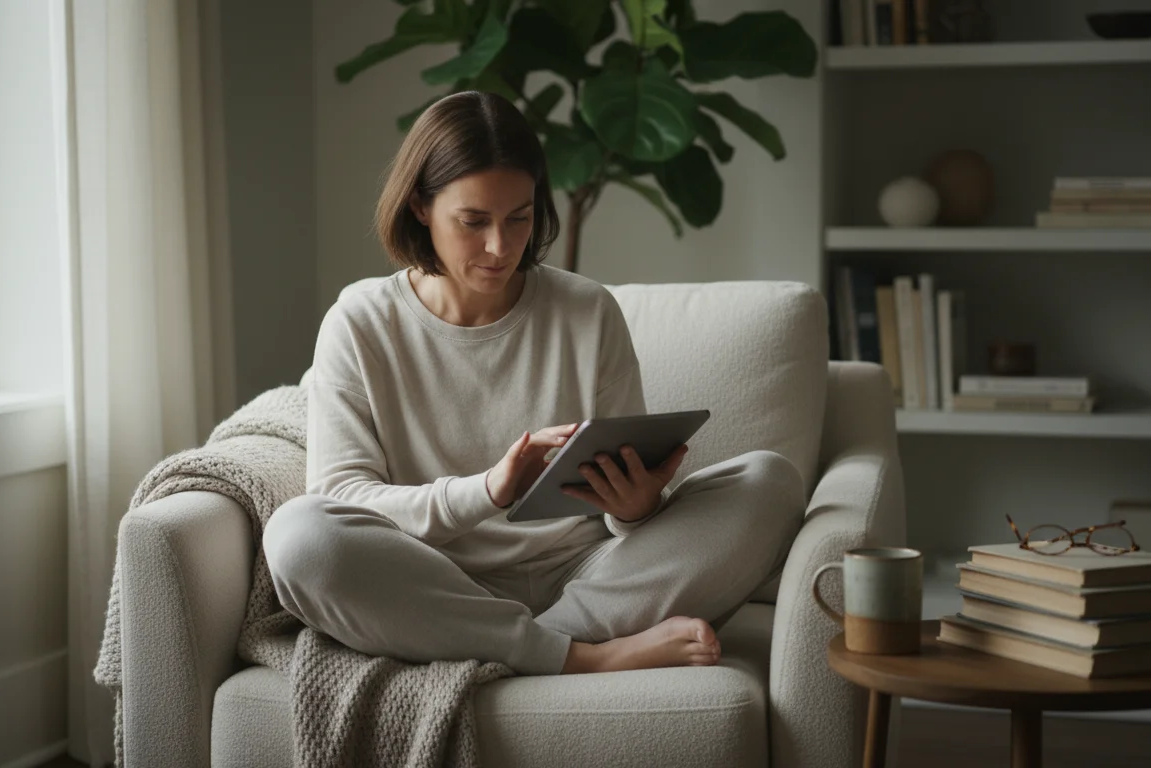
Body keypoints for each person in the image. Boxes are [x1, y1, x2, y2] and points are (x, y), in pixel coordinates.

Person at [263, 91, 803, 676]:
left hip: (585, 576)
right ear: (420, 206)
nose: (501, 247)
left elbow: (631, 514)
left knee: (769, 482)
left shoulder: (588, 311)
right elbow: (343, 498)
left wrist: (638, 505)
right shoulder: (361, 322)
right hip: (433, 579)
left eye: (519, 218)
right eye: (473, 222)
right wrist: (490, 489)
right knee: (300, 535)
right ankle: (585, 656)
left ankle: (531, 646)